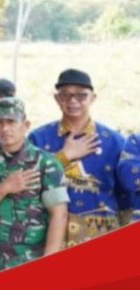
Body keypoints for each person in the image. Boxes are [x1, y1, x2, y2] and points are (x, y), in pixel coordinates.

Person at [28, 69, 127, 246]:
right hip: (50, 236)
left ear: (93, 98)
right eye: (65, 95)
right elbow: (27, 182)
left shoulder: (115, 141)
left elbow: (126, 192)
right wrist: (64, 156)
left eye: (81, 95)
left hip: (101, 234)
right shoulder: (39, 138)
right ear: (57, 99)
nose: (73, 101)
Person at [0, 98, 69, 275]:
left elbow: (59, 214)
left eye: (11, 122)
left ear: (25, 125)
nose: (5, 128)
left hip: (32, 260)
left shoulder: (45, 162)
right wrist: (4, 187)